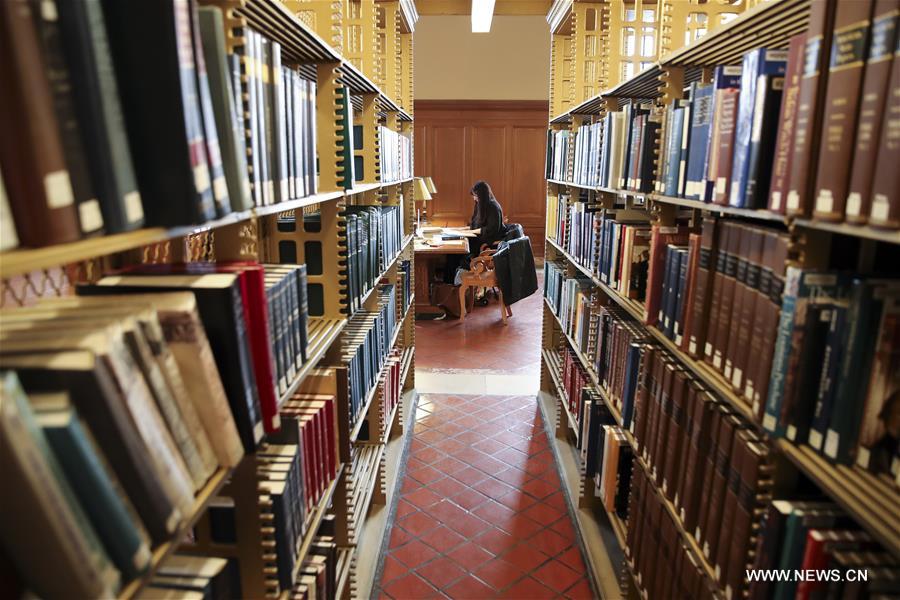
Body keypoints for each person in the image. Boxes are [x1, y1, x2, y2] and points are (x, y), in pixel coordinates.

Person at [442, 180, 508, 284]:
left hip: (487, 243)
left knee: (455, 253)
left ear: (482, 195)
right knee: (452, 253)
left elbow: (491, 230)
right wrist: (458, 230)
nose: (474, 198)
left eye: (476, 196)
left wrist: (471, 231)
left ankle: (451, 282)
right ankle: (449, 281)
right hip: (478, 238)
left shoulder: (493, 207)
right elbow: (474, 225)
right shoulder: (480, 205)